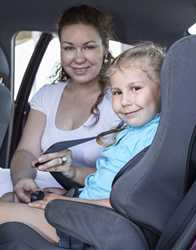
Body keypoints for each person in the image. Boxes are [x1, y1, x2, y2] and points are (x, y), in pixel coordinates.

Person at [0, 41, 164, 245]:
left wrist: (65, 202)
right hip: (84, 208)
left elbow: (129, 204)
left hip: (93, 225)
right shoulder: (131, 131)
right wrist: (73, 174)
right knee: (9, 197)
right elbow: (111, 178)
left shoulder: (154, 139)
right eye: (117, 92)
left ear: (162, 89)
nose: (124, 101)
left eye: (135, 88)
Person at [0, 5, 120, 201]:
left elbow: (121, 177)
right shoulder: (47, 95)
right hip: (31, 187)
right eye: (69, 48)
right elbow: (26, 151)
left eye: (89, 47)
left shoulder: (121, 101)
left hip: (81, 197)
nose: (78, 58)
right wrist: (22, 180)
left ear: (105, 48)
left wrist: (74, 184)